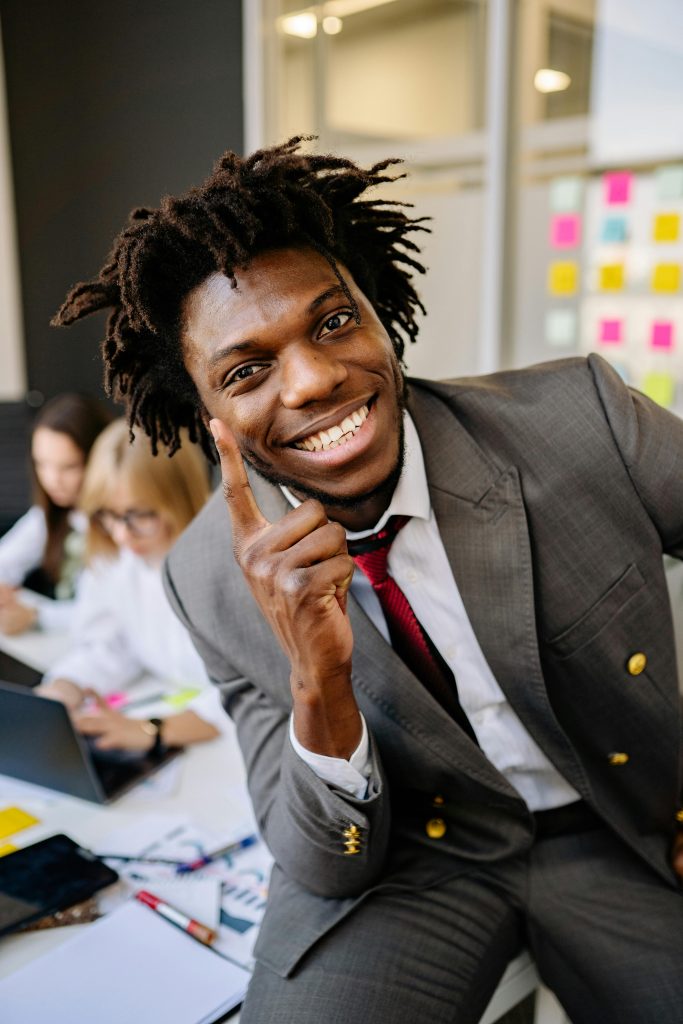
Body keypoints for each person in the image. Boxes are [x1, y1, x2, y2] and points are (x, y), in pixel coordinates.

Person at [53, 138, 683, 1023]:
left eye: (333, 323)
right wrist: (318, 680)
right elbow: (323, 860)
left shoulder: (579, 420)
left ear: (380, 314)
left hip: (618, 829)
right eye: (247, 370)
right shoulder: (208, 578)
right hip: (412, 860)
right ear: (209, 416)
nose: (313, 379)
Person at [39, 418, 228, 753]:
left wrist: (152, 730)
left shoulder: (228, 565)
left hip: (228, 746)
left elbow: (253, 692)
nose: (121, 534)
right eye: (109, 515)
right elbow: (110, 647)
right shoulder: (116, 560)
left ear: (177, 500)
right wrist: (65, 688)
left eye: (139, 515)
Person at [0, 392, 110, 634]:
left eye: (68, 467)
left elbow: (105, 615)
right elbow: (5, 560)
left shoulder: (120, 525)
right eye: (42, 464)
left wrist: (34, 615)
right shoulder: (54, 513)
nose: (52, 480)